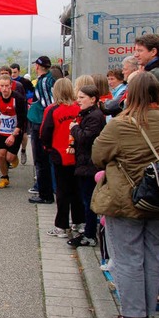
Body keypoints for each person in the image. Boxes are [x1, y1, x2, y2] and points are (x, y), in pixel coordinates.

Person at [91, 71, 159, 318]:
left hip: (125, 199)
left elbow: (98, 156)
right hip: (158, 199)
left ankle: (133, 313)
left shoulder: (121, 124)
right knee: (151, 255)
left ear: (130, 95)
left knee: (128, 256)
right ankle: (147, 310)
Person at [40, 78, 83, 238]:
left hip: (59, 153)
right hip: (77, 154)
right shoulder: (78, 108)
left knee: (62, 190)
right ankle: (79, 222)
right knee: (77, 190)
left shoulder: (52, 110)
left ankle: (62, 225)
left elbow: (45, 132)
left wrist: (47, 148)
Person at [66, 84, 106, 247]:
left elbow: (87, 138)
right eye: (78, 97)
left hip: (90, 165)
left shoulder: (95, 117)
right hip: (85, 162)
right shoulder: (89, 114)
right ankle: (88, 231)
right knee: (86, 199)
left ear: (93, 99)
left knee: (89, 200)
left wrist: (74, 129)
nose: (78, 100)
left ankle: (90, 235)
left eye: (82, 97)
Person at [27, 56, 57, 204]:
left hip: (41, 124)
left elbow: (48, 104)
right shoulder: (49, 79)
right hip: (41, 122)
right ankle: (46, 191)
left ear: (38, 67)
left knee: (41, 160)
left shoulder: (44, 82)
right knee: (43, 161)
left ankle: (45, 194)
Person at [0, 75, 27, 189]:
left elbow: (22, 119)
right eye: (2, 86)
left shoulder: (19, 98)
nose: (5, 89)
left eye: (7, 86)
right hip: (2, 130)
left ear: (11, 85)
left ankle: (14, 157)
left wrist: (13, 135)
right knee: (1, 155)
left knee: (9, 158)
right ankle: (4, 177)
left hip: (15, 130)